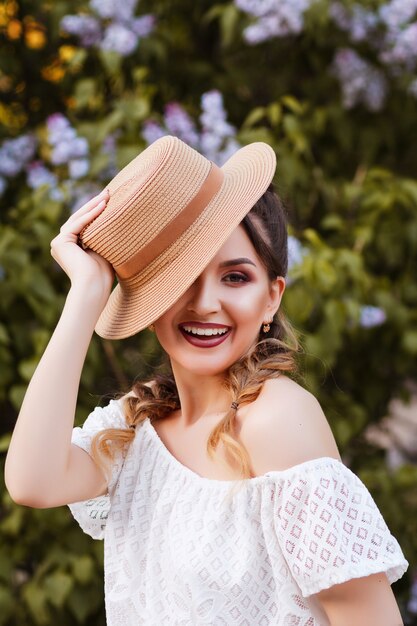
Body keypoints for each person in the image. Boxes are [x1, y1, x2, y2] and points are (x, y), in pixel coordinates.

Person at [5, 136, 408, 625]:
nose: (204, 303)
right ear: (150, 302)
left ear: (272, 297)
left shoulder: (277, 421)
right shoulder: (136, 427)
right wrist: (87, 292)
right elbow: (31, 481)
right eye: (179, 279)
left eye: (235, 277)